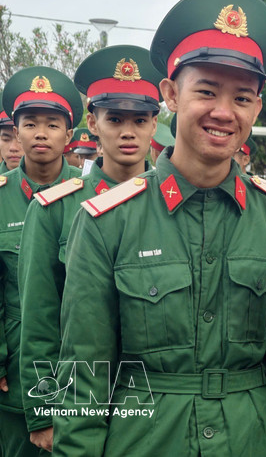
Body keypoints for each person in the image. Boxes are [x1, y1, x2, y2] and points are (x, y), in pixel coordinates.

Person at [52, 0, 266, 455]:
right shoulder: (106, 221)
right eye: (207, 91)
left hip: (251, 438)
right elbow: (83, 377)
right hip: (148, 437)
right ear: (171, 94)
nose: (224, 112)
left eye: (242, 98)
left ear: (257, 108)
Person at [17, 44, 162, 453]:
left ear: (155, 124)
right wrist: (45, 412)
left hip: (153, 400)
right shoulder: (55, 208)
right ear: (93, 124)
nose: (127, 131)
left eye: (139, 119)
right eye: (114, 119)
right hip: (78, 395)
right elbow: (40, 318)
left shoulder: (172, 207)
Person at [0, 66, 83, 457]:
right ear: (15, 133)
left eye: (52, 124)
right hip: (14, 369)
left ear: (69, 135)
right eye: (29, 123)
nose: (40, 133)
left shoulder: (91, 200)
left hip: (83, 367)